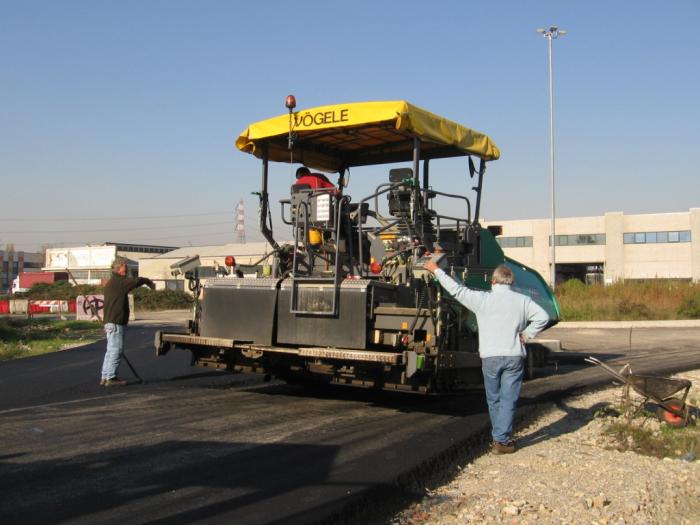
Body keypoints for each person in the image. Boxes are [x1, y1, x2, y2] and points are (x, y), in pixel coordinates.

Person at [424, 261, 549, 454]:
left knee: (494, 399)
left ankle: (499, 437)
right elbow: (543, 316)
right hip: (514, 356)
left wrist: (436, 270)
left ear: (493, 281)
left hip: (490, 357)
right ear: (511, 282)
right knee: (509, 399)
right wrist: (526, 334)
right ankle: (501, 439)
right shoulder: (523, 301)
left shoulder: (482, 299)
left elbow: (456, 290)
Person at [100, 257, 155, 386]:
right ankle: (111, 378)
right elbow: (136, 281)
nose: (127, 269)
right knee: (116, 350)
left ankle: (105, 376)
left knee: (110, 350)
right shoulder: (120, 283)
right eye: (125, 266)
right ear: (118, 268)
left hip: (110, 322)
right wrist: (148, 282)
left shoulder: (112, 283)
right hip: (116, 322)